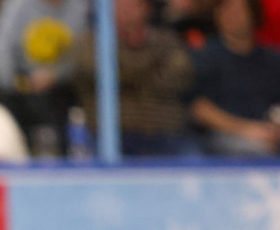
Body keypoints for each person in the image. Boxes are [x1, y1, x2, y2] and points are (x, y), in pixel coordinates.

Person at [189, 0, 280, 156]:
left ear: (253, 15)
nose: (232, 16)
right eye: (225, 11)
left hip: (276, 131)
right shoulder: (205, 58)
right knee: (256, 149)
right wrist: (247, 130)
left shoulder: (277, 60)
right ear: (216, 16)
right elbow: (199, 109)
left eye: (238, 11)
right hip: (229, 133)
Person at [75, 0, 196, 156]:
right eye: (120, 5)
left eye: (133, 4)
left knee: (195, 158)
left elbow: (180, 76)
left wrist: (128, 68)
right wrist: (152, 65)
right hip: (110, 133)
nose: (126, 10)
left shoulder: (168, 40)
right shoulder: (90, 43)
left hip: (166, 131)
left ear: (147, 8)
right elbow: (104, 74)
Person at [0, 0, 89, 153]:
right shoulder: (17, 6)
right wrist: (22, 83)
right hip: (18, 85)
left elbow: (80, 49)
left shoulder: (80, 6)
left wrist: (56, 73)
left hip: (61, 85)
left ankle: (66, 155)